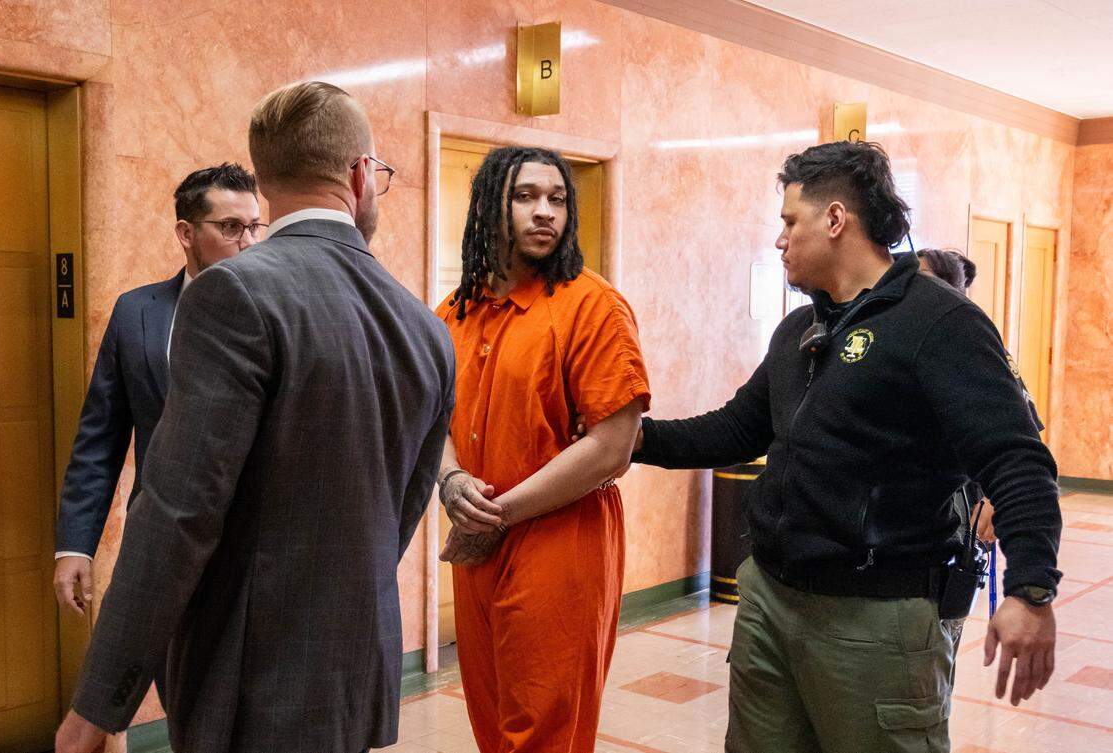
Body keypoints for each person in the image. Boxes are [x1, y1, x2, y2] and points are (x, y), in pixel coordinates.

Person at [54, 81, 456, 753]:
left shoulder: (235, 293)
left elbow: (179, 511)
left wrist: (98, 706)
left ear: (265, 179)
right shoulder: (425, 326)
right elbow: (398, 513)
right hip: (357, 667)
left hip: (250, 681)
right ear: (360, 174)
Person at [632, 141, 1061, 753]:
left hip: (876, 619)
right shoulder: (801, 328)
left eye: (788, 222)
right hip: (771, 602)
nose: (779, 239)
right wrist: (633, 440)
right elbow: (736, 428)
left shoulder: (939, 322)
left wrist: (1031, 589)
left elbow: (1015, 457)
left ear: (835, 219)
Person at [435, 145, 651, 752]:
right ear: (487, 207)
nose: (544, 213)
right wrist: (452, 483)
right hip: (480, 538)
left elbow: (613, 447)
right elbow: (433, 424)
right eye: (525, 196)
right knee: (492, 717)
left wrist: (499, 512)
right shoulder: (454, 312)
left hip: (560, 537)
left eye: (557, 199)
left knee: (544, 731)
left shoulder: (591, 305)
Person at [53, 163, 262, 615]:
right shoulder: (135, 313)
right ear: (186, 233)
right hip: (160, 546)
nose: (248, 243)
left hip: (255, 552)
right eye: (230, 227)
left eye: (253, 226)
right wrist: (74, 544)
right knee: (170, 677)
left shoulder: (282, 313)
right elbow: (100, 438)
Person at [916, 246, 1046, 547]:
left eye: (922, 281)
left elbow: (1024, 433)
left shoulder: (974, 345)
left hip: (961, 501)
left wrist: (993, 498)